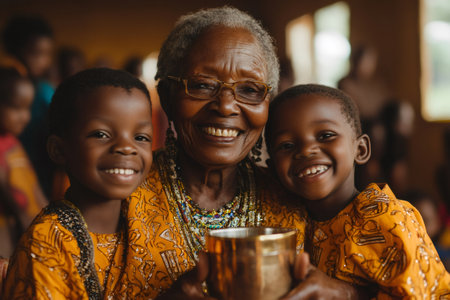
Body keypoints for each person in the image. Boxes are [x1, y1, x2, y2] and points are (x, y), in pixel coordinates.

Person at [119, 6, 365, 300]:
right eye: (202, 85)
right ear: (167, 98)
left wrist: (348, 294)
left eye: (249, 90)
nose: (225, 106)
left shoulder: (296, 196)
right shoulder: (121, 197)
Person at [264, 83, 450, 298]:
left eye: (325, 135)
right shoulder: (283, 219)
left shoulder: (386, 219)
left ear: (360, 150)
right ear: (272, 169)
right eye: (286, 145)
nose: (306, 150)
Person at [2, 68, 154, 299]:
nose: (127, 147)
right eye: (101, 134)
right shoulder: (46, 245)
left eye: (141, 137)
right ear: (59, 150)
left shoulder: (144, 222)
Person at [1, 14, 56, 198]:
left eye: (47, 54)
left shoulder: (42, 88)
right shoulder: (14, 85)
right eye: (36, 54)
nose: (44, 61)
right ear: (14, 49)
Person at [0, 67, 47, 258]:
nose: (25, 117)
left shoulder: (12, 141)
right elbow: (12, 196)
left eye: (27, 108)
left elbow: (31, 184)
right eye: (16, 108)